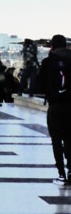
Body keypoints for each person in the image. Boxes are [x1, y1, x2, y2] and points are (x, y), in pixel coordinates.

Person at [37, 34, 71, 184]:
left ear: (52, 47)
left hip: (55, 105)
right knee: (70, 138)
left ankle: (61, 174)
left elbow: (39, 84)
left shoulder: (48, 62)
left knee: (56, 140)